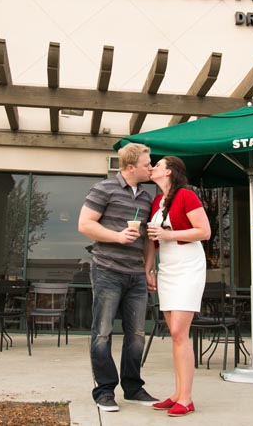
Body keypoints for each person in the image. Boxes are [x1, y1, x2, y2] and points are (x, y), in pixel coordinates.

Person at [77, 142, 159, 412]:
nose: (151, 167)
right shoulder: (103, 189)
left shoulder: (147, 198)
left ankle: (133, 388)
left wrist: (148, 269)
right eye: (148, 164)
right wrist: (118, 237)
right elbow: (85, 224)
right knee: (102, 333)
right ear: (131, 166)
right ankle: (104, 391)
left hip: (135, 275)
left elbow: (148, 239)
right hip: (107, 271)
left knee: (136, 334)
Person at [145, 155, 211, 418]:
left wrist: (169, 234)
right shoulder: (157, 201)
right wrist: (148, 269)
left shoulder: (187, 196)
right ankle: (177, 394)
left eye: (158, 165)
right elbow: (152, 239)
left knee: (178, 332)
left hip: (188, 266)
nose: (152, 168)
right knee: (175, 335)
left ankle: (187, 398)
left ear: (170, 171)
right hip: (167, 268)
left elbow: (204, 231)